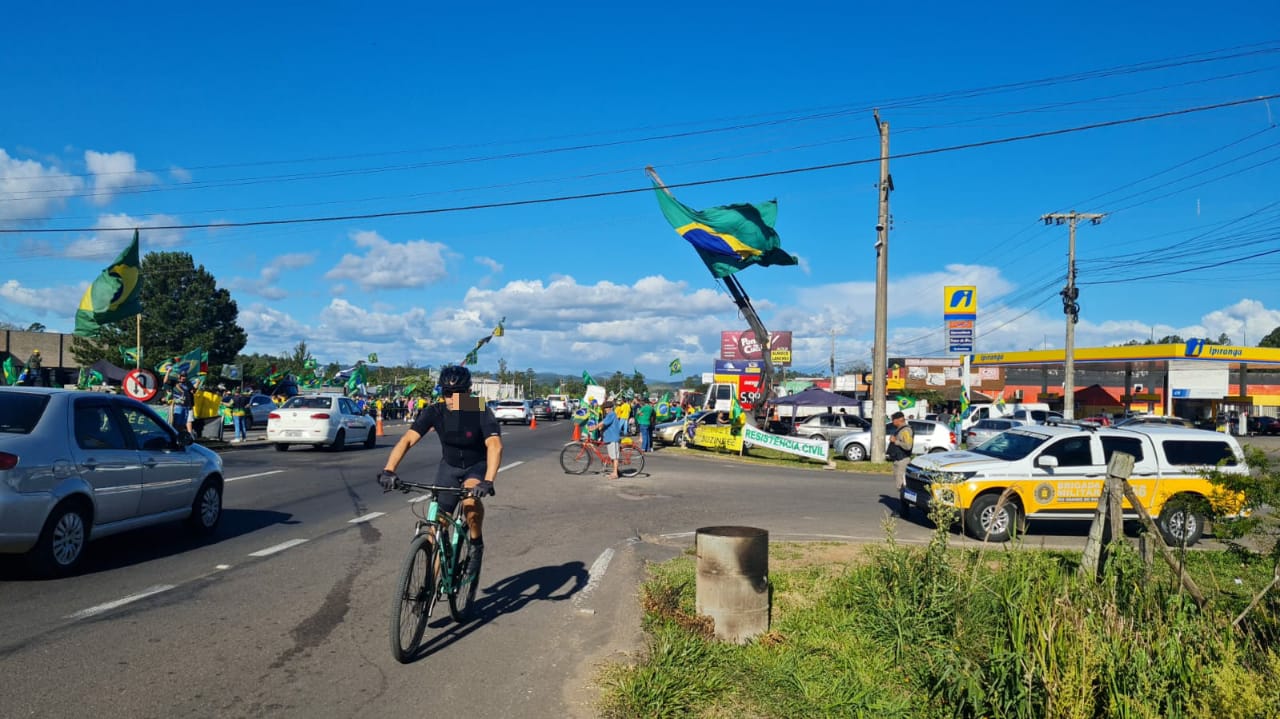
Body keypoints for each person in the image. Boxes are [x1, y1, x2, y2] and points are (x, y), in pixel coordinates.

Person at [378, 365, 501, 564]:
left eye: (458, 393)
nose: (452, 398)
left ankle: (476, 543)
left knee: (470, 504)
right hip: (450, 467)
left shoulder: (479, 409)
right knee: (436, 528)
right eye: (447, 393)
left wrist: (488, 481)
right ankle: (430, 589)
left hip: (476, 466)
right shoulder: (435, 411)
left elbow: (494, 445)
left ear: (469, 392)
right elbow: (407, 440)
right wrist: (389, 470)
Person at [887, 411, 915, 493]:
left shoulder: (906, 430)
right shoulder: (900, 429)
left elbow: (908, 446)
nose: (892, 422)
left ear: (900, 419)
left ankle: (905, 504)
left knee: (902, 485)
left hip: (902, 460)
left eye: (893, 420)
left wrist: (896, 441)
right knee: (899, 485)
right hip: (898, 460)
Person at [167, 370, 196, 437]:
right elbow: (165, 381)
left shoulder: (188, 383)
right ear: (179, 376)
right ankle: (174, 435)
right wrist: (168, 372)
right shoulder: (175, 382)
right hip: (178, 405)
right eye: (182, 376)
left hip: (187, 406)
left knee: (183, 424)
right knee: (176, 422)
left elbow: (193, 391)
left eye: (185, 376)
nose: (183, 377)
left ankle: (180, 436)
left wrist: (197, 383)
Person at [599, 401, 624, 479]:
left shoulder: (611, 414)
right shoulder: (609, 415)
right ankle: (615, 471)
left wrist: (595, 427)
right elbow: (604, 423)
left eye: (607, 408)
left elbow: (604, 422)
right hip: (609, 438)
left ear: (610, 408)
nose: (606, 409)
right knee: (612, 456)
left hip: (613, 437)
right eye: (605, 408)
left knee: (614, 457)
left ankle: (615, 474)